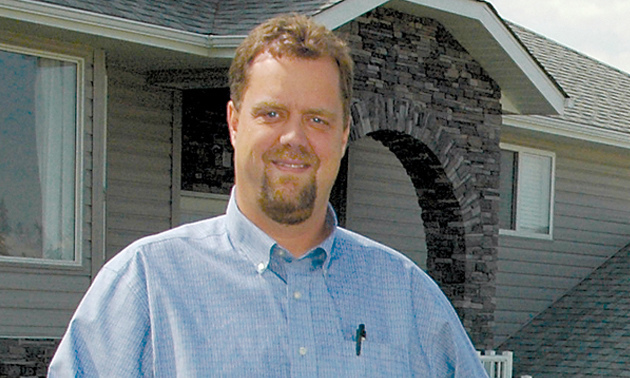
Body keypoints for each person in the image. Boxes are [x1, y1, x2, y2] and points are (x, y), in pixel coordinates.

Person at [48, 14, 489, 377]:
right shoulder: (146, 285)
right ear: (235, 123)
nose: (293, 138)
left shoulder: (407, 297)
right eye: (272, 113)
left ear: (342, 136)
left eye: (317, 119)